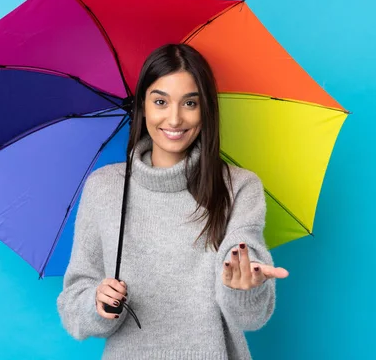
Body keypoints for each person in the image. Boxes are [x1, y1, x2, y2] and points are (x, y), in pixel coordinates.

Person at [57, 43, 289, 359]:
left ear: (205, 109)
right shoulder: (104, 187)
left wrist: (244, 284)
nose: (175, 118)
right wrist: (97, 304)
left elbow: (250, 316)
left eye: (189, 103)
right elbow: (73, 304)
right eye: (161, 102)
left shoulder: (238, 186)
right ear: (142, 107)